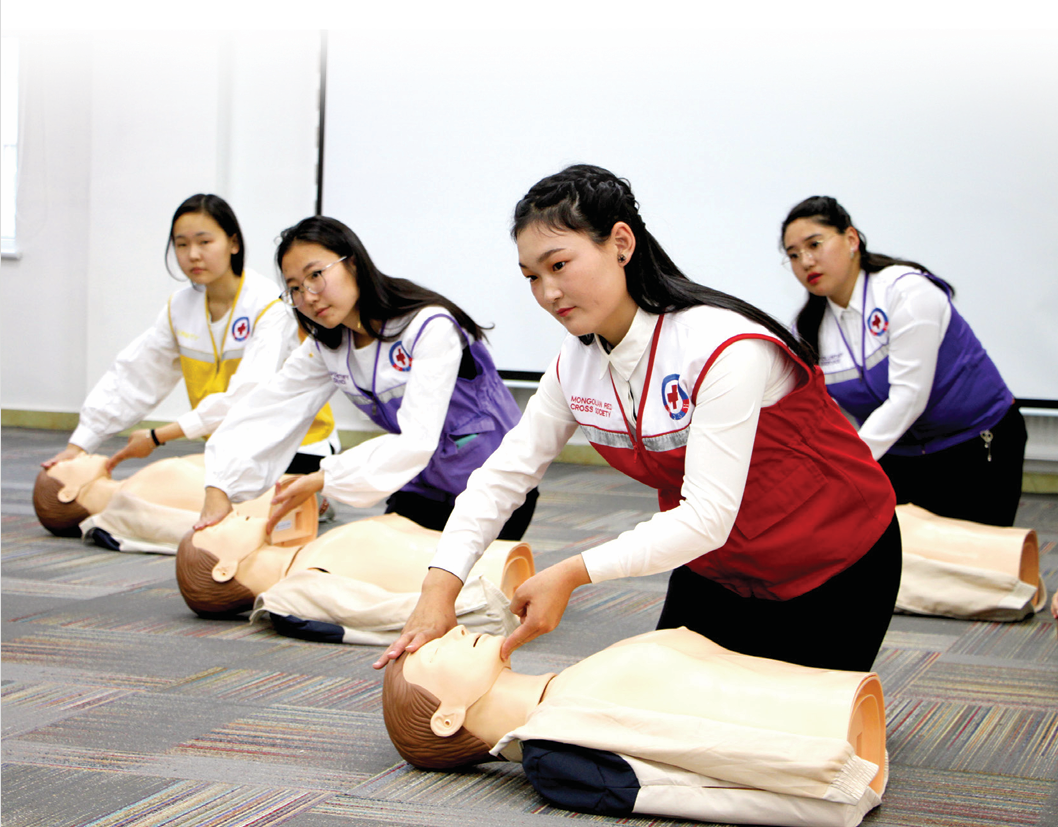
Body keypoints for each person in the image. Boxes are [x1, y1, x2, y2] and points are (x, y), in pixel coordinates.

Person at [376, 164, 899, 674]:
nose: (547, 293)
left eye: (559, 265)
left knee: (780, 725)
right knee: (656, 708)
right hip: (718, 567)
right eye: (532, 276)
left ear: (621, 244)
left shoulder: (721, 346)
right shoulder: (574, 365)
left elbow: (707, 515)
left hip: (834, 561)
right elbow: (503, 475)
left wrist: (573, 573)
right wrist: (439, 589)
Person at [195, 216, 537, 538]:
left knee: (443, 576)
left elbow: (417, 439)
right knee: (360, 558)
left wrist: (324, 478)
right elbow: (272, 405)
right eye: (295, 288)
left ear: (353, 263)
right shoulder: (328, 344)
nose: (308, 296)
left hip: (494, 485)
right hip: (424, 485)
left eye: (315, 275)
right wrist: (220, 484)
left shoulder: (428, 326)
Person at [382, 626, 887, 826]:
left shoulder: (568, 698)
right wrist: (832, 783)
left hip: (837, 703)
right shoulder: (556, 750)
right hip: (834, 745)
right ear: (447, 718)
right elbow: (690, 788)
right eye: (437, 652)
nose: (456, 630)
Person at [40, 194, 339, 482]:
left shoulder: (269, 304)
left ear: (233, 243)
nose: (193, 254)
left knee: (175, 491)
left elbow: (245, 398)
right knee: (164, 490)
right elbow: (136, 376)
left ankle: (316, 498)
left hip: (299, 448)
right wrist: (79, 444)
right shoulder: (180, 308)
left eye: (204, 242)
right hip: (235, 451)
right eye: (182, 244)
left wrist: (156, 436)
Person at [780, 196, 1025, 527]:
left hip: (975, 444)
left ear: (851, 239)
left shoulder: (906, 291)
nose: (806, 262)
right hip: (897, 452)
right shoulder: (810, 327)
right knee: (904, 553)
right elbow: (826, 412)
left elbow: (909, 397)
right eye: (793, 255)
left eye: (814, 245)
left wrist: (846, 465)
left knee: (975, 554)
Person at [176, 512, 534, 645]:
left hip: (493, 563)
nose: (228, 517)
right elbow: (375, 614)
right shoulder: (293, 592)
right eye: (217, 530)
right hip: (490, 584)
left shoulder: (306, 561)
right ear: (224, 569)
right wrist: (476, 610)